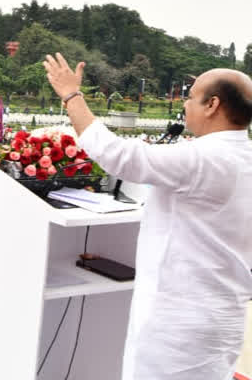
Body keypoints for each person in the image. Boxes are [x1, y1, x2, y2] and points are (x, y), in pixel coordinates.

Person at [43, 54, 252, 379]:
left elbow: (116, 155)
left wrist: (72, 96)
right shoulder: (242, 156)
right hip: (222, 314)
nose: (184, 104)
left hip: (179, 325)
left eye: (190, 96)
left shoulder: (203, 157)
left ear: (212, 105)